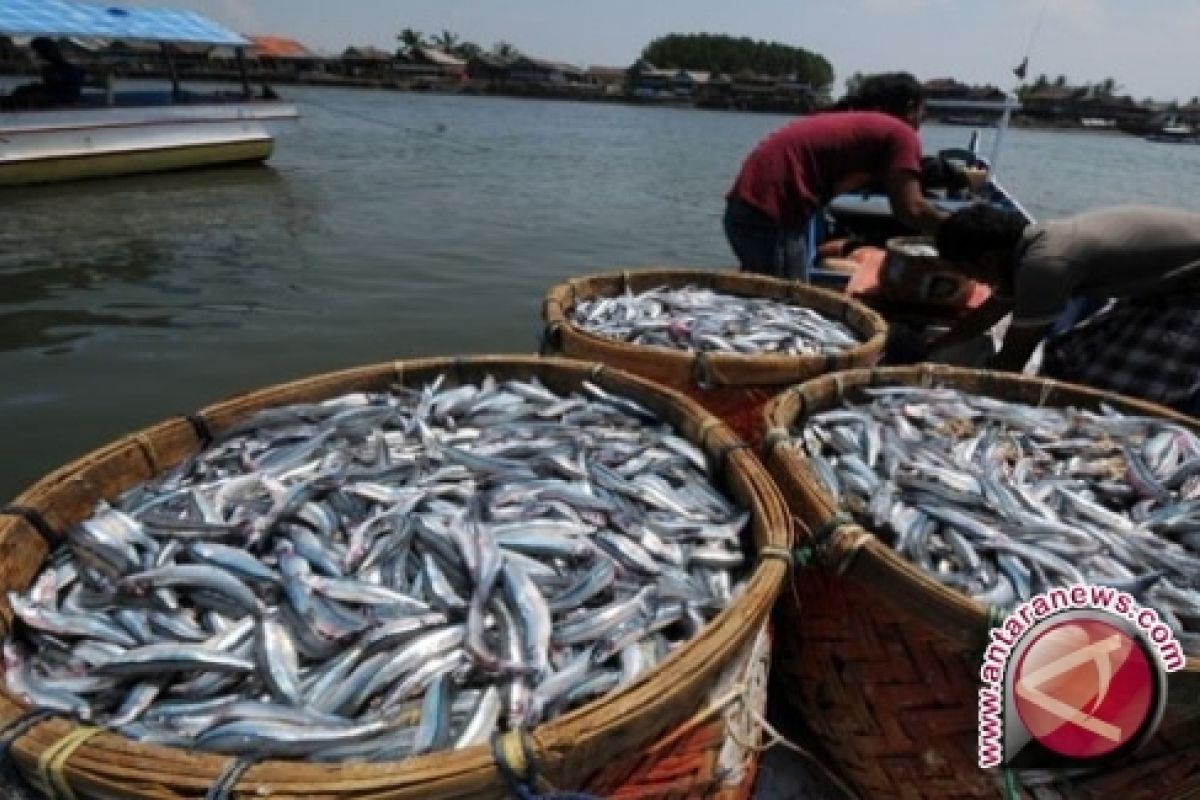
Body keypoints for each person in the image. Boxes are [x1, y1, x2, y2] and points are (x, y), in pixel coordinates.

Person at [932, 203, 1200, 413]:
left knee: (1114, 394)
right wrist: (933, 349)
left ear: (987, 258)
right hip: (1164, 286)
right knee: (1065, 358)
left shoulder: (1044, 264)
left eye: (969, 271)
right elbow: (988, 314)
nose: (976, 282)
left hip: (1190, 292)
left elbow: (1014, 357)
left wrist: (973, 397)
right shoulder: (1030, 247)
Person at [723, 72, 986, 281]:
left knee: (773, 300)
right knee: (790, 306)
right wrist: (968, 236)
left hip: (745, 211)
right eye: (922, 113)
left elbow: (913, 172)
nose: (922, 121)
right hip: (772, 219)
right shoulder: (900, 133)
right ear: (910, 107)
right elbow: (911, 209)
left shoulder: (851, 122)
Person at [10, 38, 85, 108]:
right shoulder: (51, 68)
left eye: (39, 53)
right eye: (38, 53)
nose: (37, 56)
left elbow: (67, 94)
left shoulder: (69, 70)